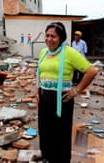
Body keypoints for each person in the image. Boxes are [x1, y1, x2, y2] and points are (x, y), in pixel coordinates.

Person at [36, 22, 98, 162]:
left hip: (62, 99)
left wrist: (76, 91)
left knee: (61, 134)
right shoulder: (43, 52)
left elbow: (91, 71)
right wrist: (37, 91)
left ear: (61, 38)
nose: (49, 39)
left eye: (53, 36)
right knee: (45, 130)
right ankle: (47, 156)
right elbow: (39, 72)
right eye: (47, 35)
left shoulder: (69, 53)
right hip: (44, 98)